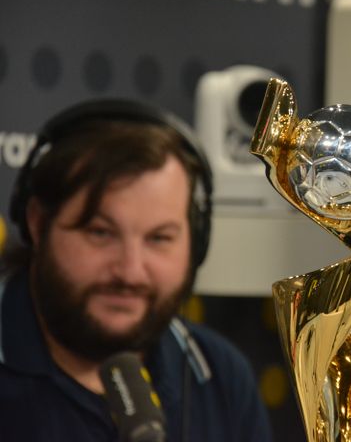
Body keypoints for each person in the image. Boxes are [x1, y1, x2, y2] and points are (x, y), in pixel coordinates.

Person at [0, 99, 273, 441]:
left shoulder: (220, 377)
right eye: (100, 233)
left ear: (196, 242)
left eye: (159, 238)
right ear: (38, 223)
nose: (130, 272)